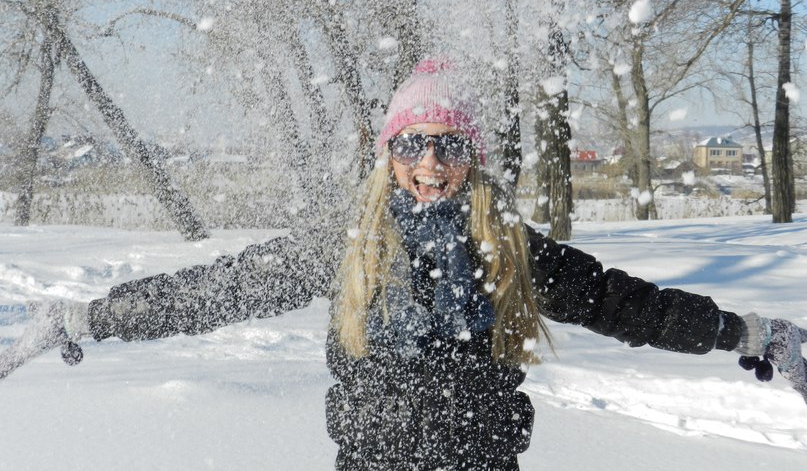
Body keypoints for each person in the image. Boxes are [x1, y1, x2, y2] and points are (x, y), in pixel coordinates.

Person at [1, 58, 805, 470]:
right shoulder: (346, 244)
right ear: (389, 153)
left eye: (448, 145)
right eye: (412, 144)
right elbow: (217, 290)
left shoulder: (509, 248)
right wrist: (87, 316)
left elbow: (624, 304)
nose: (430, 163)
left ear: (471, 156)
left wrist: (746, 331)